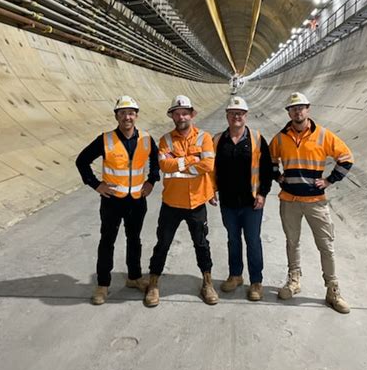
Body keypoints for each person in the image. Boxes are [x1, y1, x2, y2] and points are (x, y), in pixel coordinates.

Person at [269, 92, 354, 314]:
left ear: (308, 109)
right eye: (293, 108)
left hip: (316, 201)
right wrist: (277, 176)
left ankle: (332, 289)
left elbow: (346, 158)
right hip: (289, 201)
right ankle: (294, 280)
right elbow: (269, 160)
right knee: (292, 242)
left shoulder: (323, 136)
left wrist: (329, 180)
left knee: (326, 245)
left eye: (301, 108)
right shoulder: (280, 138)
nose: (297, 111)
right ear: (288, 112)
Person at [76, 95, 159, 305]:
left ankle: (134, 277)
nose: (127, 117)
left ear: (136, 116)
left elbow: (156, 162)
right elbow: (82, 161)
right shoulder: (105, 139)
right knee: (107, 241)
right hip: (112, 200)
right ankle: (103, 285)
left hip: (137, 200)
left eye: (131, 113)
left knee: (134, 240)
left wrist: (151, 182)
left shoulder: (146, 139)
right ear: (116, 116)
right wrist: (96, 185)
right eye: (122, 113)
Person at [144, 95, 218, 307]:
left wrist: (177, 162)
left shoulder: (204, 137)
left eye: (185, 112)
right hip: (172, 203)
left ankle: (207, 283)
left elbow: (208, 165)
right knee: (162, 244)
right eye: (177, 113)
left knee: (202, 243)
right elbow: (164, 166)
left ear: (191, 115)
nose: (181, 116)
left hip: (197, 202)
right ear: (172, 116)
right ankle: (154, 283)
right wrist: (191, 160)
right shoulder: (165, 140)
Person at [210, 96, 272, 301]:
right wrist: (211, 190)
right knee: (233, 239)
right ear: (227, 116)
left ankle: (256, 281)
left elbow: (266, 169)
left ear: (246, 116)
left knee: (253, 240)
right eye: (233, 113)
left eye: (240, 113)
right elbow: (210, 169)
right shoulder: (218, 140)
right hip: (228, 202)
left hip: (251, 202)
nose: (236, 116)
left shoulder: (256, 138)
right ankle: (235, 275)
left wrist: (263, 193)